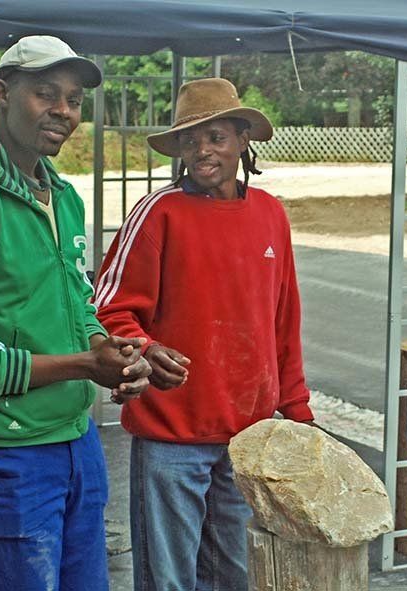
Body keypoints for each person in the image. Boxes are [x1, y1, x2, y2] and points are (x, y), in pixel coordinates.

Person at [0, 35, 152, 590]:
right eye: (45, 93)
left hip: (78, 440)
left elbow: (77, 303)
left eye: (75, 99)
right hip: (5, 454)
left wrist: (112, 352)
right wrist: (84, 365)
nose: (63, 110)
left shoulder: (64, 196)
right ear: (3, 94)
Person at [93, 77, 314, 591]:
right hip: (172, 435)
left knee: (234, 577)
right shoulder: (158, 212)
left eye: (215, 136)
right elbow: (108, 308)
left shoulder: (271, 214)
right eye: (190, 141)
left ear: (242, 139)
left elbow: (284, 319)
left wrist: (297, 410)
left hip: (247, 437)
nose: (202, 151)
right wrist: (144, 347)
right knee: (168, 581)